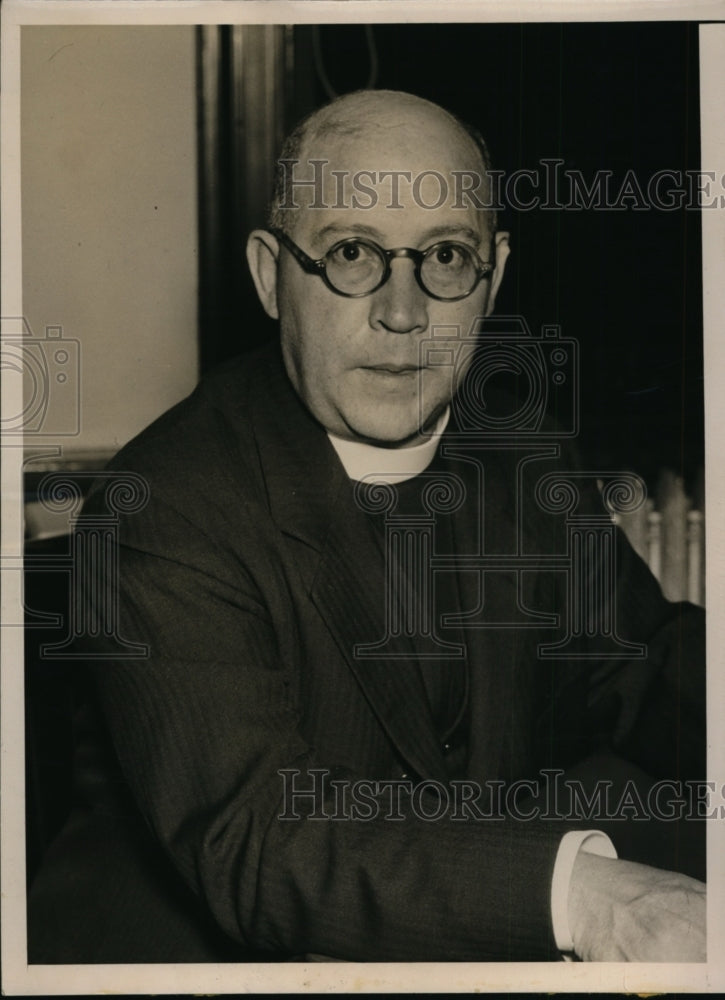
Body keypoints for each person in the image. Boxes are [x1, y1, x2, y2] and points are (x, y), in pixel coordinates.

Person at [28, 89, 706, 964]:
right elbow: (261, 838)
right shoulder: (162, 503)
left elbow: (644, 665)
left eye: (446, 256)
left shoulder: (520, 452)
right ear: (270, 276)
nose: (402, 311)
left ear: (493, 277)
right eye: (351, 252)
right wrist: (591, 897)